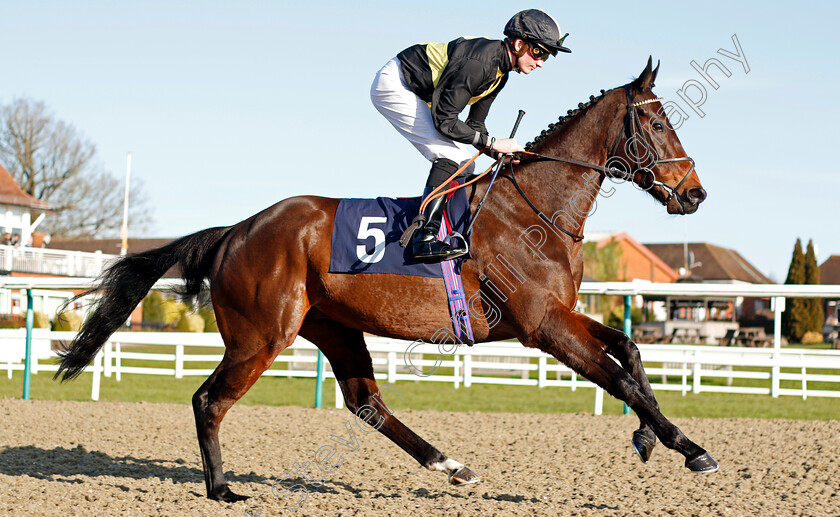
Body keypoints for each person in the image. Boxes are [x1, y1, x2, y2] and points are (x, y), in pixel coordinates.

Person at [371, 9, 570, 263]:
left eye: (546, 57)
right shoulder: (481, 64)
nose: (541, 62)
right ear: (519, 44)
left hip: (420, 94)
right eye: (539, 52)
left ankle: (438, 228)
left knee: (468, 162)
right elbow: (445, 121)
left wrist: (497, 151)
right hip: (396, 84)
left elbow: (476, 124)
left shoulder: (500, 74)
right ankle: (424, 238)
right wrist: (491, 143)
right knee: (451, 155)